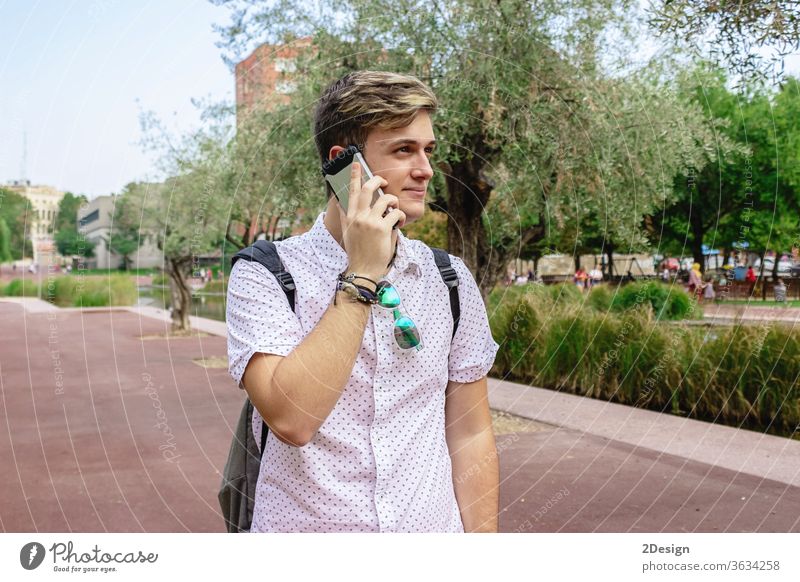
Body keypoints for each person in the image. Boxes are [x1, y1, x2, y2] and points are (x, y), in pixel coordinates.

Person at [226, 71, 500, 533]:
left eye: (427, 150)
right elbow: (293, 419)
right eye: (403, 150)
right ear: (345, 164)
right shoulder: (265, 274)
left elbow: (471, 434)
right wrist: (361, 276)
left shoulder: (449, 280)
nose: (425, 169)